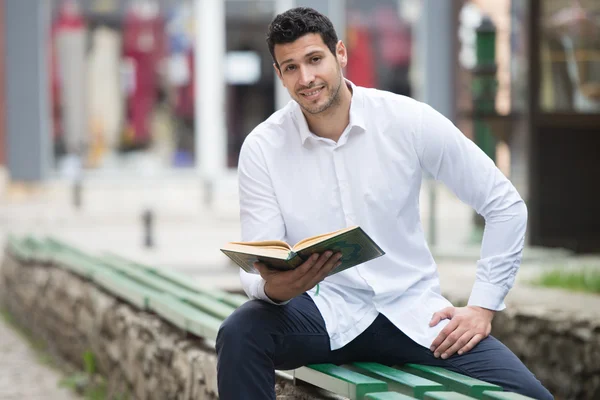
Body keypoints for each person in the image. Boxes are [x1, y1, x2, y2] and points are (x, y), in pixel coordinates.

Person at [216, 7, 553, 400]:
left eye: (314, 59)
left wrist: (482, 306)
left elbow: (505, 204)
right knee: (240, 333)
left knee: (531, 396)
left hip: (416, 316)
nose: (306, 78)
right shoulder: (262, 147)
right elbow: (259, 258)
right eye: (290, 67)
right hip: (324, 315)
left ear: (340, 54)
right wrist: (273, 289)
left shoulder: (406, 120)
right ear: (279, 75)